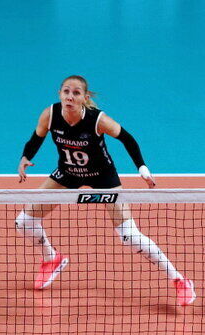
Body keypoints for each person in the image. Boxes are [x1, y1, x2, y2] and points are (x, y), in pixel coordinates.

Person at [16, 75, 195, 304]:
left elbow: (128, 139)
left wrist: (142, 168)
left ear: (85, 97)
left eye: (76, 93)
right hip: (68, 173)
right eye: (66, 91)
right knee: (24, 222)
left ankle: (180, 280)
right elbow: (36, 138)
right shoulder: (50, 114)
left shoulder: (97, 120)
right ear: (60, 93)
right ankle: (51, 258)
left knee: (129, 236)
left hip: (103, 177)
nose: (70, 96)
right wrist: (25, 157)